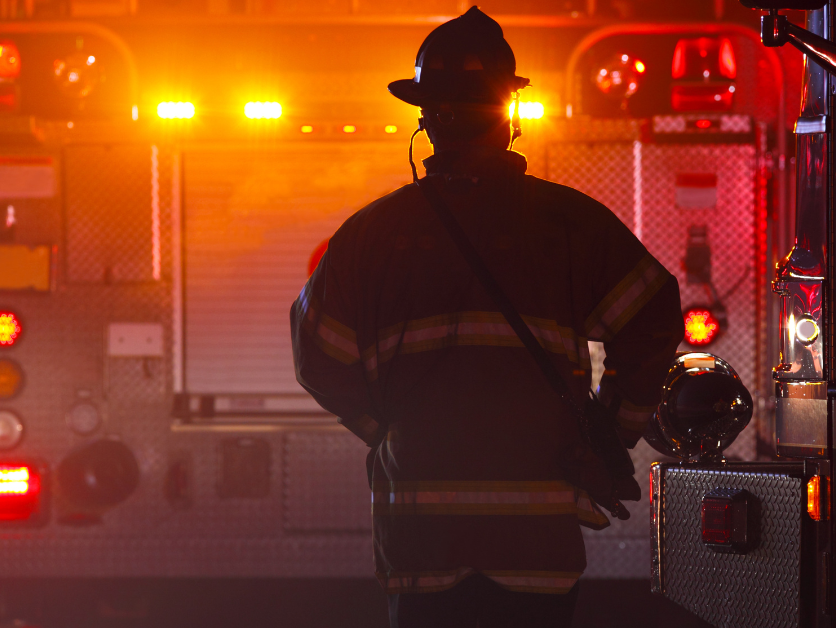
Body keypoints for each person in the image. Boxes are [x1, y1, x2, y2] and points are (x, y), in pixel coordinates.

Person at [289, 7, 682, 627]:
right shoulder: (570, 225)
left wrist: (386, 427)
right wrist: (608, 432)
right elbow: (655, 321)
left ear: (426, 121)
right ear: (508, 116)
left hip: (423, 553)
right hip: (534, 556)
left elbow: (317, 357)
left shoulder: (370, 235)